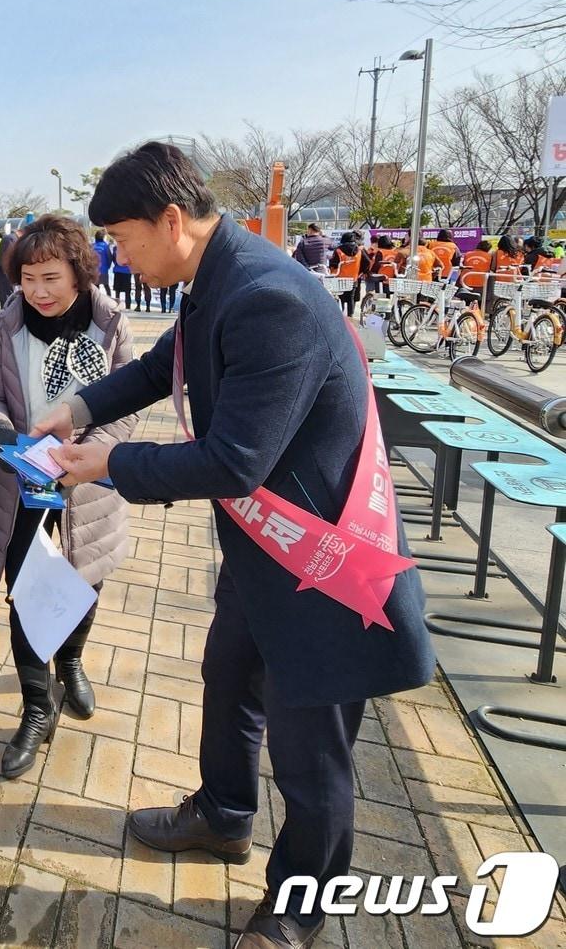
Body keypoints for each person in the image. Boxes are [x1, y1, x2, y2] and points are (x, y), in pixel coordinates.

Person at [35, 142, 435, 949]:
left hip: (322, 569)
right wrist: (76, 410)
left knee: (310, 751)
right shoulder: (216, 275)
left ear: (172, 220)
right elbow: (161, 367)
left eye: (122, 237)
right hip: (265, 558)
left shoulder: (265, 297)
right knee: (229, 676)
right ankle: (224, 813)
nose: (117, 255)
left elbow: (232, 462)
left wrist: (110, 461)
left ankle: (298, 904)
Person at [0, 215, 136, 779]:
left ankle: (71, 662)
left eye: (51, 277)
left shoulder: (111, 324)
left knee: (84, 585)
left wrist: (89, 457)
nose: (39, 291)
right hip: (20, 484)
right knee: (27, 594)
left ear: (78, 272)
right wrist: (0, 435)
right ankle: (36, 707)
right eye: (27, 279)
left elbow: (127, 406)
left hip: (88, 486)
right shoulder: (6, 325)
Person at [329, 232, 365, 317]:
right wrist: (360, 271)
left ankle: (340, 317)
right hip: (353, 278)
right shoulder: (359, 250)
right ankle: (350, 317)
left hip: (339, 278)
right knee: (351, 299)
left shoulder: (338, 250)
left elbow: (334, 263)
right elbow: (367, 262)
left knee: (340, 297)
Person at [0, 224, 17, 306]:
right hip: (5, 274)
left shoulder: (10, 239)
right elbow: (6, 260)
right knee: (7, 299)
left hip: (5, 274)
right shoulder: (10, 239)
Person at [93, 229, 113, 295]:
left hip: (94, 271)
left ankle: (96, 302)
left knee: (95, 288)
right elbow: (109, 258)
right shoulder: (105, 246)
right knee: (106, 286)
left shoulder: (92, 246)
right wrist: (108, 266)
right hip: (104, 270)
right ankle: (110, 300)